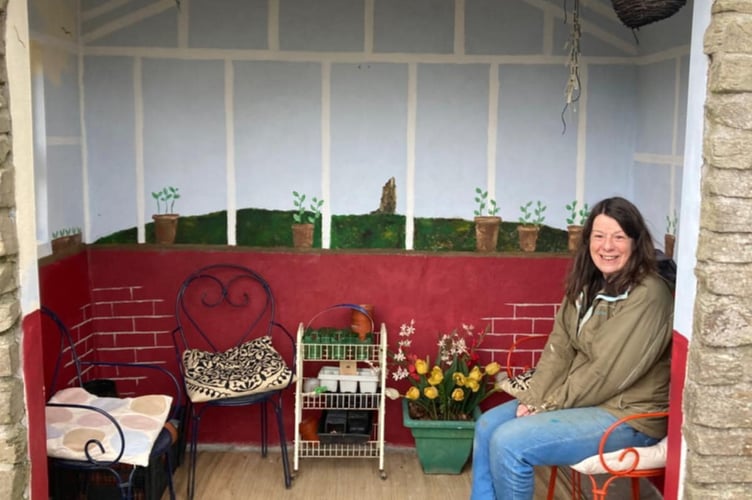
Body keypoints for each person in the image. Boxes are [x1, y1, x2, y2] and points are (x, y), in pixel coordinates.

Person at [470, 197, 674, 500]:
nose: (607, 246)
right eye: (599, 236)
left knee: (510, 442)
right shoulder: (589, 283)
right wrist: (534, 398)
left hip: (628, 414)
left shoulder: (648, 294)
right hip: (587, 399)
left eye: (619, 237)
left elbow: (606, 373)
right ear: (587, 240)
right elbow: (560, 347)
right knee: (487, 426)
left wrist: (547, 406)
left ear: (635, 242)